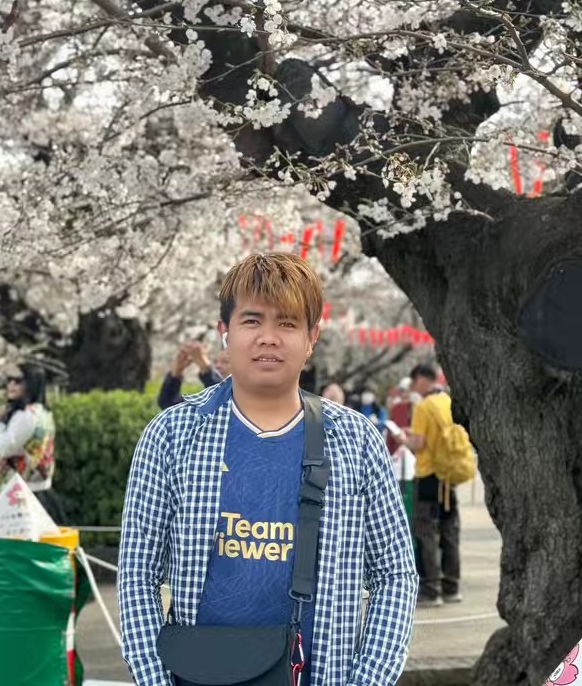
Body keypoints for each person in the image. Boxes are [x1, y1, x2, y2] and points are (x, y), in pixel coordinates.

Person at [119, 253, 418, 686]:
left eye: (288, 323)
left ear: (312, 337)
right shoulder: (171, 436)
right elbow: (137, 575)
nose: (268, 338)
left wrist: (366, 680)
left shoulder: (355, 441)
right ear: (225, 332)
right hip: (196, 675)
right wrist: (156, 680)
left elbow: (395, 574)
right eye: (252, 320)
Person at [403, 363, 462, 607]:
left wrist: (404, 438)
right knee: (449, 530)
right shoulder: (447, 402)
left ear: (420, 379)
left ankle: (430, 589)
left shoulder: (424, 406)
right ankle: (451, 587)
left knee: (425, 530)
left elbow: (418, 443)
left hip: (428, 477)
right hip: (448, 476)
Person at [0, 363, 63, 523]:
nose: (11, 385)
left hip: (18, 494)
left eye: (18, 381)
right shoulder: (44, 413)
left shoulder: (26, 416)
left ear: (31, 383)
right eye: (9, 380)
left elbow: (6, 447)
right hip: (39, 488)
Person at [157, 341, 228, 409]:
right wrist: (175, 374)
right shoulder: (203, 400)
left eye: (226, 362)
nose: (218, 366)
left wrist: (206, 368)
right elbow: (168, 404)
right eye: (215, 362)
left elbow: (224, 400)